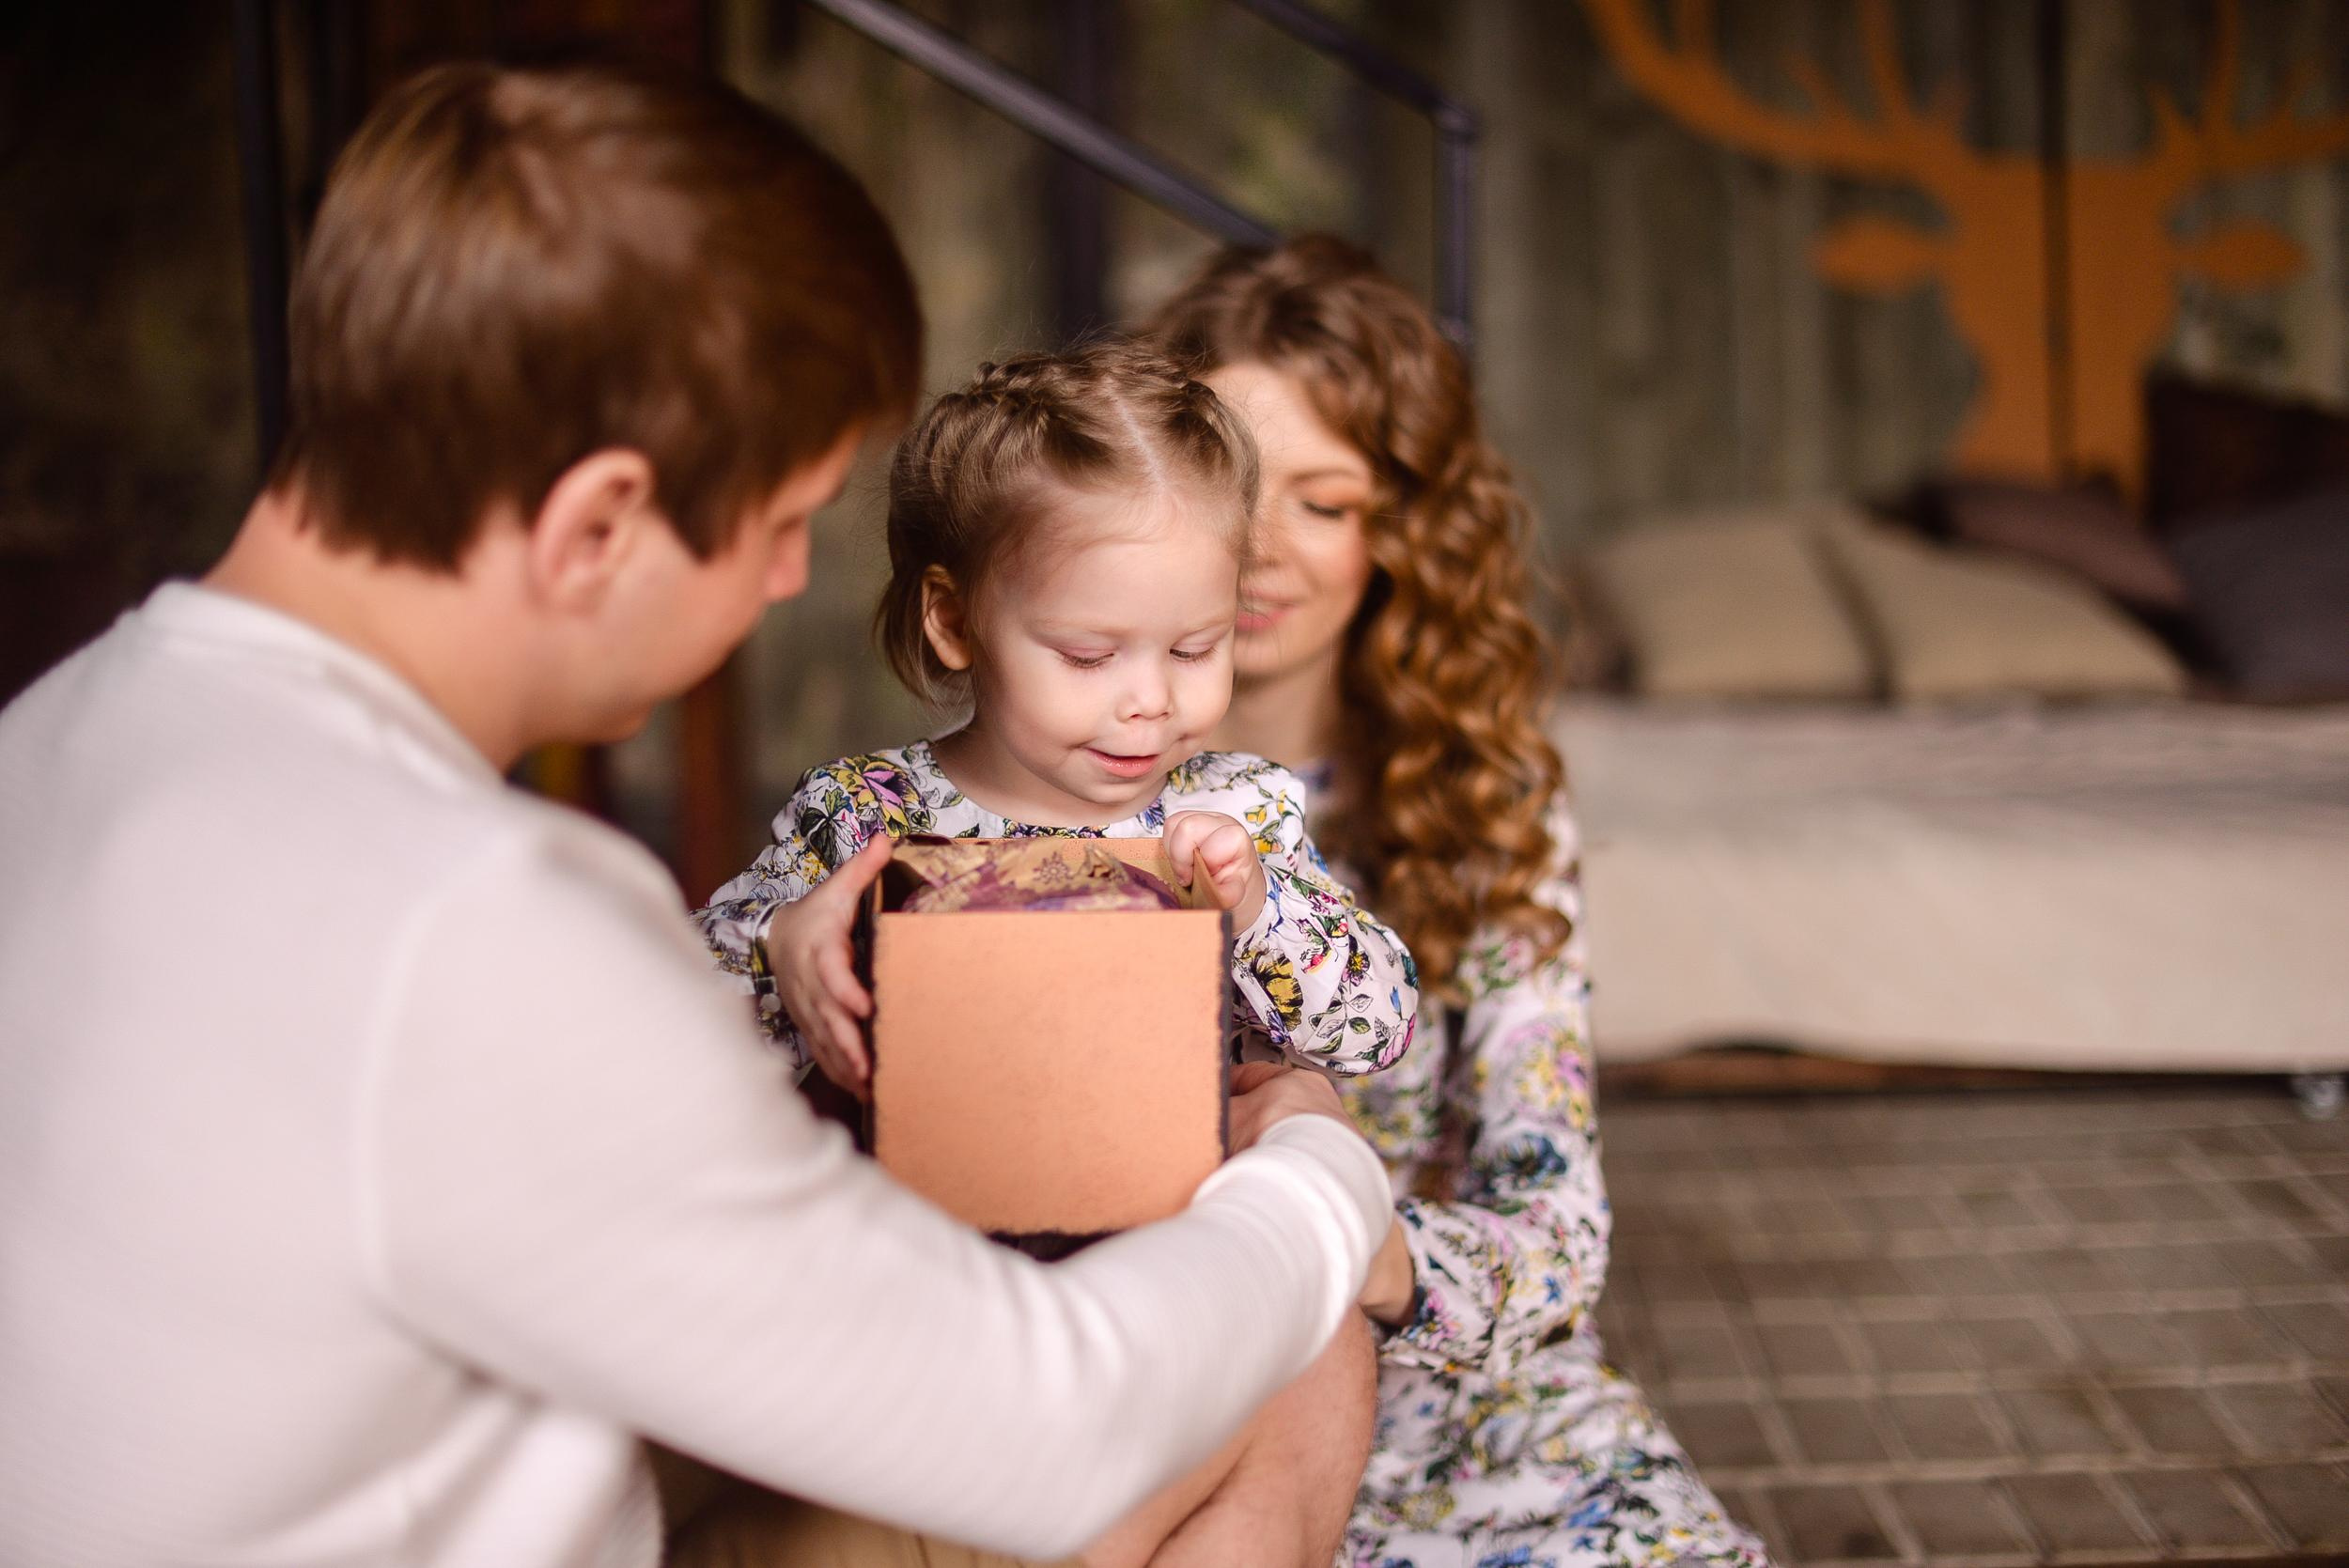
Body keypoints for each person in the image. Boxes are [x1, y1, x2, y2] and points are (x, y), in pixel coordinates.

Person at [0, 66, 1401, 1568]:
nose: (789, 581)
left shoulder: (61, 731)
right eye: (781, 520)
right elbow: (1046, 1433)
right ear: (600, 521)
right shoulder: (477, 914)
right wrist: (1323, 1174)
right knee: (1299, 1369)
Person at [1145, 237, 1773, 1568]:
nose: (1264, 548)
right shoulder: (1028, 791)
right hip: (1155, 1402)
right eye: (1232, 486)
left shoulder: (1488, 808)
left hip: (1464, 1417)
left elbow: (1556, 1217)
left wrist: (1357, 1251)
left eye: (1325, 500)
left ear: (1405, 530)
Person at [693, 342, 1418, 1096]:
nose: (1151, 699)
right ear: (954, 620)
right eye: (1088, 656)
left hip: (1191, 1209)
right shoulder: (866, 820)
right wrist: (782, 944)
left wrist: (1258, 908)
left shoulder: (1241, 817)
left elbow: (1383, 1027)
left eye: (1194, 647)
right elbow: (658, 1025)